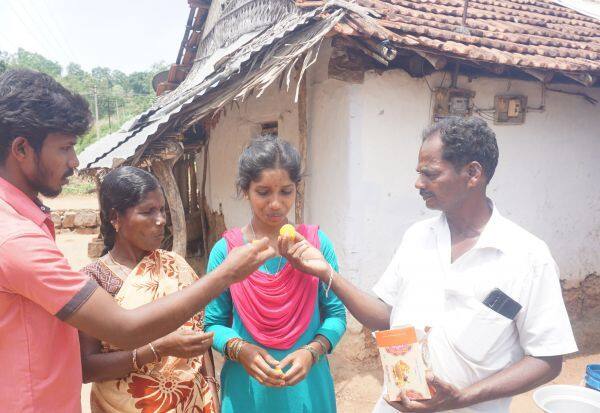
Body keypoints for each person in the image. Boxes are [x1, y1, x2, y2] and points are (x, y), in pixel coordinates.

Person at [0, 68, 274, 412]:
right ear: (21, 149)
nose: (74, 161)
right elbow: (123, 329)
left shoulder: (26, 223)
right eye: (65, 148)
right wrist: (227, 274)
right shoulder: (17, 239)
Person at [279, 117, 578, 413]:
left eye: (430, 174)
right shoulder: (417, 237)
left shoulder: (527, 257)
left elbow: (546, 359)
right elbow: (386, 316)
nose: (418, 183)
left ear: (473, 173)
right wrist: (327, 273)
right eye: (419, 173)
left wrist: (461, 398)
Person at [204, 135, 347, 413]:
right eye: (263, 192)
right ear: (245, 190)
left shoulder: (316, 246)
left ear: (296, 190)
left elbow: (336, 315)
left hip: (308, 387)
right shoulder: (227, 252)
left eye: (285, 191)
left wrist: (312, 351)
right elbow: (213, 323)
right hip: (247, 390)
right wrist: (240, 349)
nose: (275, 203)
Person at [79, 166, 219, 413]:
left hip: (193, 403)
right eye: (148, 211)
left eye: (162, 210)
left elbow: (200, 335)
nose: (161, 220)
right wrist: (158, 349)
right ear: (115, 217)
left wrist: (211, 388)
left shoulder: (176, 265)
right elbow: (87, 368)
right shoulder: (94, 280)